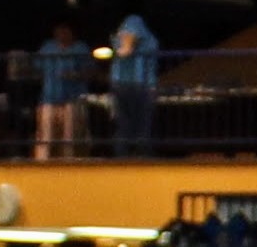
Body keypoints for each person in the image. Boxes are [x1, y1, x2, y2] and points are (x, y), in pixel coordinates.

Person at [30, 18, 92, 160]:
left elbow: (90, 71)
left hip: (73, 98)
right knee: (45, 135)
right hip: (49, 98)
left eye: (65, 31)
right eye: (59, 31)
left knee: (69, 136)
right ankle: (42, 163)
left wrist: (75, 75)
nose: (62, 34)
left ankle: (68, 163)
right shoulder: (48, 47)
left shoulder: (80, 48)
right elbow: (36, 67)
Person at [107, 10, 163, 158]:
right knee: (139, 126)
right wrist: (126, 49)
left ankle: (126, 158)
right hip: (136, 83)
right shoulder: (134, 20)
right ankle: (137, 160)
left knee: (127, 125)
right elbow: (129, 36)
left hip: (125, 83)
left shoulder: (130, 28)